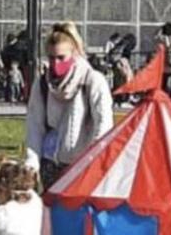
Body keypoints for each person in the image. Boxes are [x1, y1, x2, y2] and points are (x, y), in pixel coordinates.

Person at [24, 22, 113, 188]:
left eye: (61, 58)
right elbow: (34, 125)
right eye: (51, 58)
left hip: (81, 165)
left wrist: (91, 161)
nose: (55, 64)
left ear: (75, 53)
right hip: (49, 162)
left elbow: (104, 125)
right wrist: (32, 161)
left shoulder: (93, 81)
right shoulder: (43, 83)